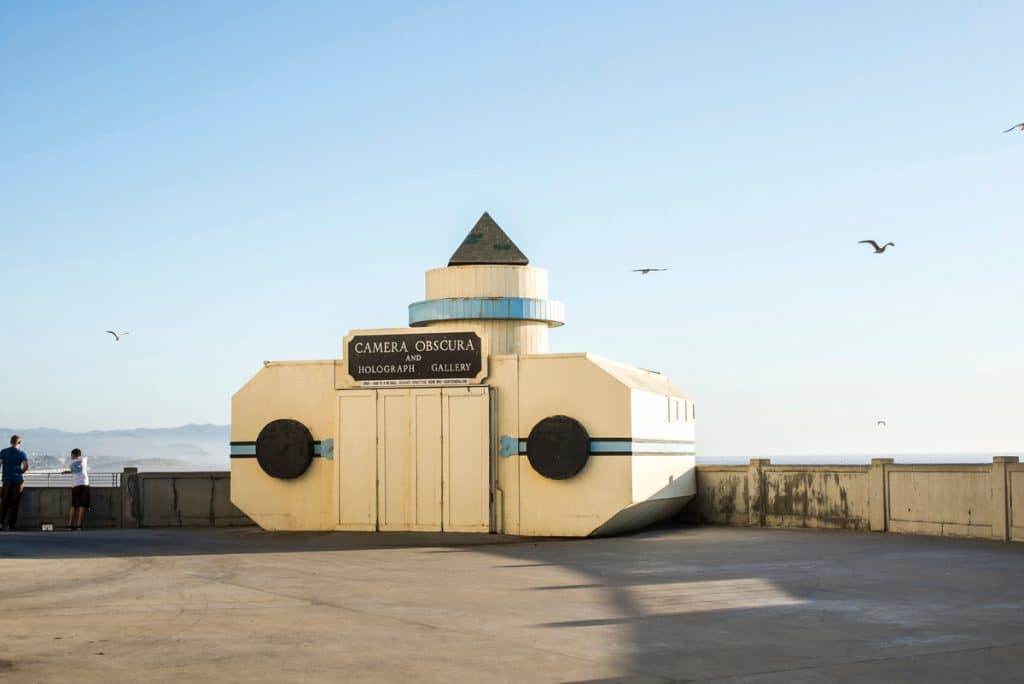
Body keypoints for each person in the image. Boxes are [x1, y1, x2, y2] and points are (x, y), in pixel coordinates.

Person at [0, 435, 29, 530]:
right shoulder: (22, 453)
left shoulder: (3, 452)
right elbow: (25, 466)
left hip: (6, 479)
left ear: (10, 441)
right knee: (14, 503)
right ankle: (10, 525)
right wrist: (20, 472)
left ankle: (1, 523)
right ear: (19, 443)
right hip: (17, 480)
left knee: (4, 502)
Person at [63, 448, 90, 530]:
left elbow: (73, 470)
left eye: (71, 455)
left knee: (74, 505)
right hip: (85, 483)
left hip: (76, 485)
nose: (70, 456)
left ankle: (70, 525)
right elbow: (77, 470)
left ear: (74, 455)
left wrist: (66, 472)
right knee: (83, 505)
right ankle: (79, 525)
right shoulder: (84, 460)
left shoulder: (71, 462)